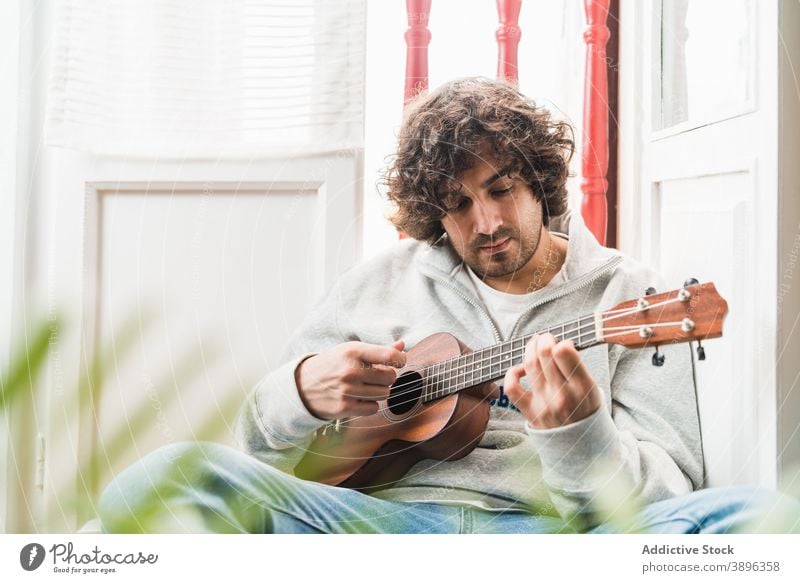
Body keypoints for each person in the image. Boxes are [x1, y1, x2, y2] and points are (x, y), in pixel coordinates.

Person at [98, 77, 799, 534]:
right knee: (161, 477)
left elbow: (668, 490)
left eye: (501, 189)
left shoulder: (633, 298)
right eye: (458, 205)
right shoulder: (376, 283)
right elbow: (261, 442)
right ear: (433, 213)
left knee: (761, 520)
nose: (486, 222)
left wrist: (580, 435)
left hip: (546, 532)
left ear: (540, 181)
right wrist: (301, 391)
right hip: (373, 523)